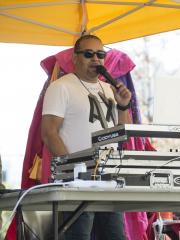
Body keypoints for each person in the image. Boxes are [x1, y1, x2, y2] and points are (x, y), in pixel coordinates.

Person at [41, 34, 131, 240]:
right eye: (88, 54)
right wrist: (75, 171)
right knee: (78, 235)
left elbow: (120, 133)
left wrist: (123, 105)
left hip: (108, 180)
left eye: (100, 54)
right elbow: (48, 133)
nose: (96, 59)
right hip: (78, 182)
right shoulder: (61, 87)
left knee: (115, 236)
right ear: (75, 57)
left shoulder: (109, 89)